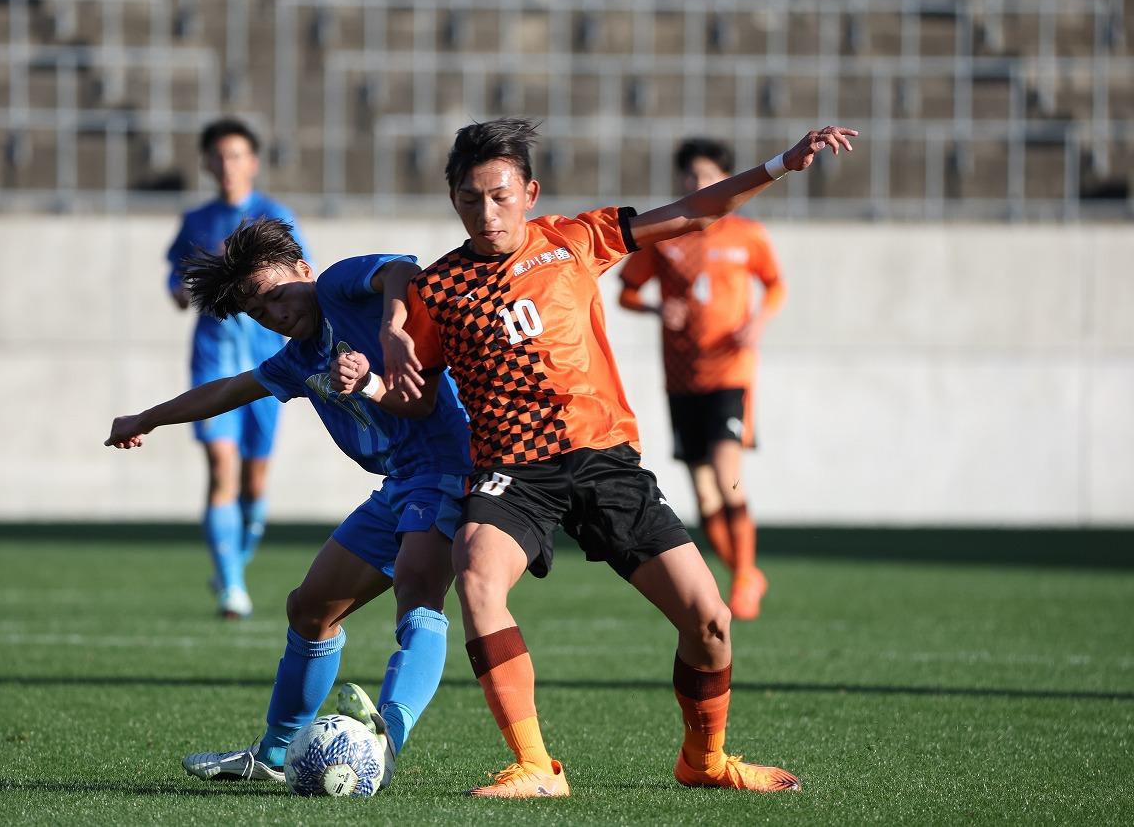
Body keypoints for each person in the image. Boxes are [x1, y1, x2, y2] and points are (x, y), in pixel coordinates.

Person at [334, 117, 855, 798]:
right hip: (513, 472)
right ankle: (535, 765)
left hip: (605, 461)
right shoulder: (440, 291)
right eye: (469, 198)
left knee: (709, 620)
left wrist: (781, 164)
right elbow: (416, 400)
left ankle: (705, 757)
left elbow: (696, 211)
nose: (485, 213)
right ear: (452, 198)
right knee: (478, 575)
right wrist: (372, 382)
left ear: (529, 191)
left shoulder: (575, 238)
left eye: (499, 195)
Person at [108, 219, 472, 786]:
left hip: (451, 468)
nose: (275, 315)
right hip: (400, 484)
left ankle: (386, 740)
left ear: (304, 271)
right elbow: (229, 389)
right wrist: (148, 419)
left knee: (419, 592)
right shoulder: (298, 359)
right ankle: (274, 755)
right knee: (309, 608)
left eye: (277, 296)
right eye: (260, 313)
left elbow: (402, 269)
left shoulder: (337, 286)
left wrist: (394, 330)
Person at [618, 137, 787, 620]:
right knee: (704, 492)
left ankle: (744, 577)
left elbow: (776, 285)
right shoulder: (668, 236)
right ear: (680, 180)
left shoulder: (747, 235)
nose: (699, 184)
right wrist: (655, 306)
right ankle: (745, 572)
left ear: (725, 181)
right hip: (682, 379)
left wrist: (758, 321)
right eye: (691, 176)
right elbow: (627, 292)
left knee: (726, 473)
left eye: (709, 177)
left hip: (730, 373)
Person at [165, 118, 310, 619]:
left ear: (253, 162)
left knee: (253, 481)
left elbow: (301, 279)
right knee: (221, 468)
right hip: (213, 359)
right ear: (206, 163)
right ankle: (231, 585)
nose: (228, 166)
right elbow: (175, 274)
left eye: (237, 156)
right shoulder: (196, 221)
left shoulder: (274, 216)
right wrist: (179, 290)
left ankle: (235, 562)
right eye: (219, 157)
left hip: (269, 363)